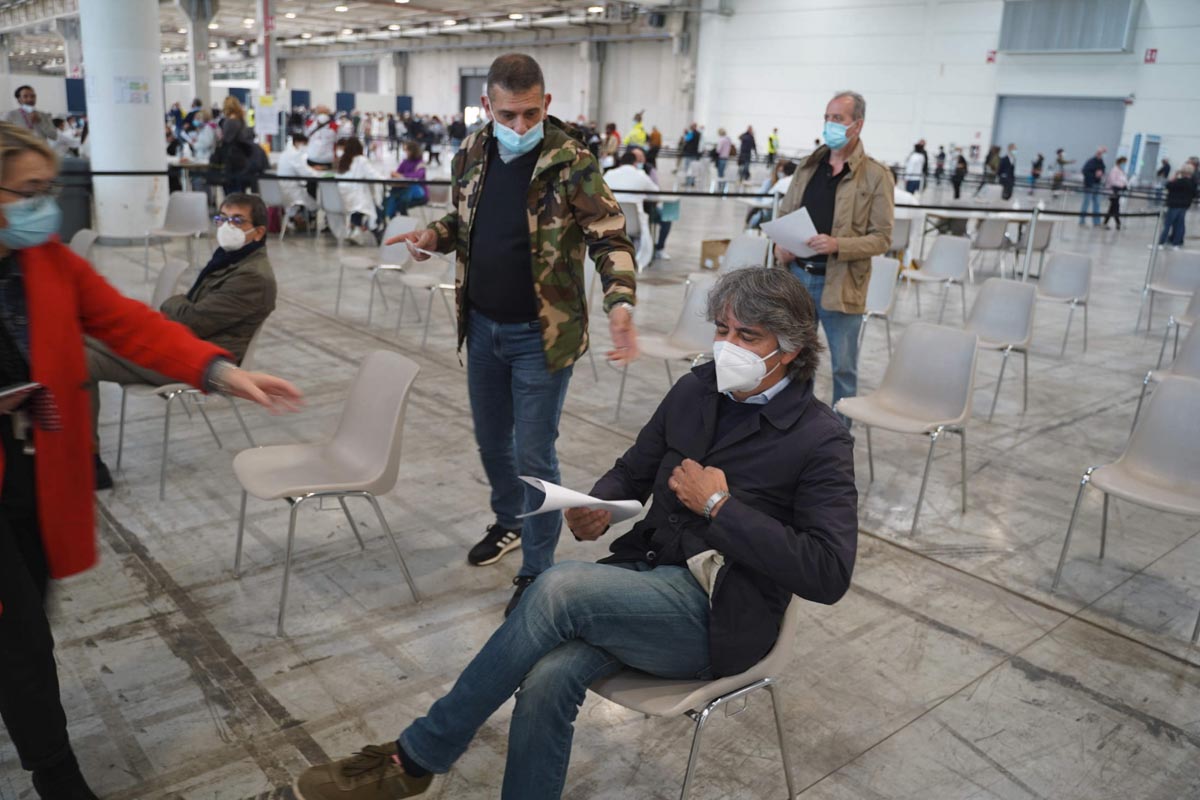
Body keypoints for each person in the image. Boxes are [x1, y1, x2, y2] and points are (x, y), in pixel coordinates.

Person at [292, 267, 857, 800]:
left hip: (717, 614)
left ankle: (415, 758)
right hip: (643, 577)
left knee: (560, 588)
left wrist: (719, 507)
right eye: (722, 330)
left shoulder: (819, 439)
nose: (728, 346)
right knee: (547, 676)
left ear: (791, 348)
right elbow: (635, 469)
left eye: (747, 335)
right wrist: (600, 505)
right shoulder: (696, 389)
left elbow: (829, 572)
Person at [0, 123, 301, 800]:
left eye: (48, 189)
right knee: (19, 638)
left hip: (32, 472)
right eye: (27, 192)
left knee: (26, 624)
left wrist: (220, 372)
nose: (43, 206)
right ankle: (57, 776)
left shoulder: (47, 261)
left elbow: (130, 323)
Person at [386, 54, 639, 613]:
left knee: (534, 456)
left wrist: (620, 301)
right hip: (481, 327)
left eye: (530, 113)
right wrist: (432, 236)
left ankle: (536, 571)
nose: (520, 126)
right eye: (508, 115)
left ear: (546, 103)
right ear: (487, 106)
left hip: (541, 337)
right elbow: (462, 222)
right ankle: (509, 520)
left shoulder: (572, 161)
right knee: (491, 441)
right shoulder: (472, 152)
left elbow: (609, 236)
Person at [87, 193, 278, 487]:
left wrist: (172, 303)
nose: (226, 226)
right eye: (222, 218)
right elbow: (189, 313)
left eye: (237, 221)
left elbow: (191, 319)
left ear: (259, 232)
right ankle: (86, 457)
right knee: (80, 353)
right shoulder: (230, 260)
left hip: (203, 361)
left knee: (85, 351)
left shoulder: (252, 277)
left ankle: (87, 461)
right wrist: (180, 306)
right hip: (185, 344)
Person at [775, 90, 894, 420]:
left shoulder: (876, 176)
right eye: (827, 118)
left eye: (838, 119)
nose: (830, 125)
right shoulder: (808, 166)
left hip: (840, 284)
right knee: (796, 362)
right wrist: (780, 246)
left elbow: (882, 238)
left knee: (843, 367)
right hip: (798, 278)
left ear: (857, 125)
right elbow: (785, 214)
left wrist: (839, 244)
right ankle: (795, 427)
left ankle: (839, 436)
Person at [604, 149, 667, 265]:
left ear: (621, 163)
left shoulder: (609, 174)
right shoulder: (640, 175)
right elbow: (656, 194)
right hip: (634, 224)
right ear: (634, 163)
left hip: (611, 222)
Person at [336, 137, 386, 246]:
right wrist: (385, 178)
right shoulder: (361, 160)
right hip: (358, 195)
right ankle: (375, 231)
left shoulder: (343, 160)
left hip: (344, 196)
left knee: (359, 209)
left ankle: (355, 229)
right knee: (374, 209)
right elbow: (372, 175)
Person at [277, 132, 318, 231]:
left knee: (309, 200)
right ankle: (307, 221)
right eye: (304, 144)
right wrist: (317, 173)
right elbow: (306, 172)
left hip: (283, 190)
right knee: (315, 205)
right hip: (292, 191)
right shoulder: (295, 155)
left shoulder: (285, 154)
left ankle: (298, 219)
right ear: (297, 142)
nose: (305, 147)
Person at [385, 140, 429, 218]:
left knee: (400, 202)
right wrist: (395, 175)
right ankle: (392, 218)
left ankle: (400, 219)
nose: (406, 153)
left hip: (419, 195)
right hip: (404, 191)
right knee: (392, 200)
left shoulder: (421, 163)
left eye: (407, 150)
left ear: (413, 151)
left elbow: (417, 176)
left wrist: (402, 176)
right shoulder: (405, 162)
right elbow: (397, 173)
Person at [1160, 165, 1196, 247]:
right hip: (1184, 205)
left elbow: (1168, 185)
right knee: (1180, 224)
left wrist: (1175, 176)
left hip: (1174, 205)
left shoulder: (1179, 182)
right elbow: (1194, 194)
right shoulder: (1193, 183)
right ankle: (1177, 242)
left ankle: (1162, 241)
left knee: (1167, 224)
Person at [1080, 146, 1107, 226]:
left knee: (1097, 203)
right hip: (1090, 185)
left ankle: (1096, 222)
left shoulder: (1101, 162)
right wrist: (1094, 174)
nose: (1102, 154)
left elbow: (1103, 170)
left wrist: (1101, 173)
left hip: (1097, 185)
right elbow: (1085, 171)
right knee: (1086, 203)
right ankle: (1082, 221)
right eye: (1101, 153)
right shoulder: (1091, 161)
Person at [305, 106, 337, 170]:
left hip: (312, 157)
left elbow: (306, 134)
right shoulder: (334, 126)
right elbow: (337, 140)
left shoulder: (310, 123)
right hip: (328, 159)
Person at [1102, 156, 1129, 230]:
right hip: (1113, 191)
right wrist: (1121, 186)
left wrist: (1124, 185)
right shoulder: (1114, 170)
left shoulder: (1121, 171)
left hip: (1118, 192)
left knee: (1112, 208)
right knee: (1115, 207)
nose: (1124, 164)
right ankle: (1118, 223)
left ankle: (1105, 223)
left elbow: (1123, 180)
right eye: (1124, 163)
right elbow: (1113, 181)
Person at [680, 122, 701, 187]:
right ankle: (692, 182)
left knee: (688, 168)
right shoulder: (699, 134)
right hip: (695, 153)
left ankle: (688, 182)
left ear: (694, 127)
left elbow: (686, 139)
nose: (690, 127)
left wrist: (686, 133)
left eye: (691, 126)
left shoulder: (691, 133)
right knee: (693, 168)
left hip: (689, 153)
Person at [715, 128, 732, 192]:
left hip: (721, 158)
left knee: (720, 174)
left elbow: (718, 150)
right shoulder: (728, 140)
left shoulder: (721, 140)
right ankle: (723, 187)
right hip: (726, 158)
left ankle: (720, 188)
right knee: (723, 173)